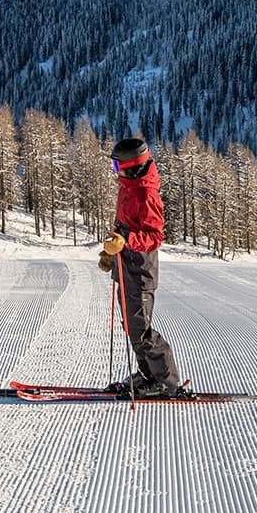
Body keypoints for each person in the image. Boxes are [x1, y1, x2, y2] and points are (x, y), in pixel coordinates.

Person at [99, 136, 185, 398]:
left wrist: (126, 242)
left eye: (117, 167)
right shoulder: (128, 186)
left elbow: (155, 237)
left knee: (140, 328)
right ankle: (148, 374)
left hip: (140, 268)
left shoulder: (147, 193)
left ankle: (166, 382)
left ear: (132, 165)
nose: (115, 172)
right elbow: (122, 224)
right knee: (131, 325)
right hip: (126, 265)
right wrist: (110, 253)